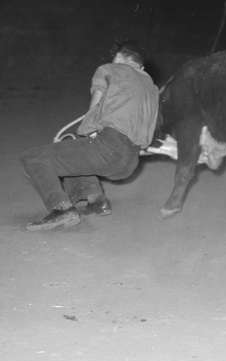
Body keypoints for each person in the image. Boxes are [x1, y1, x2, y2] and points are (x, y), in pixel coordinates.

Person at [20, 42, 159, 231]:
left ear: (120, 60)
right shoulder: (151, 87)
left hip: (109, 147)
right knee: (79, 153)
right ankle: (97, 201)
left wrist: (87, 128)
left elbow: (97, 100)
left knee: (33, 158)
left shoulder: (110, 69)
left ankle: (61, 209)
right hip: (130, 162)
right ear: (141, 67)